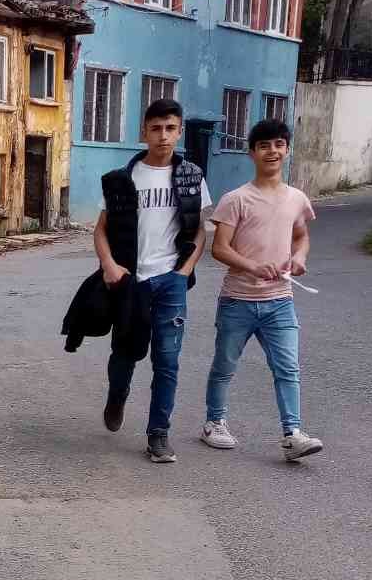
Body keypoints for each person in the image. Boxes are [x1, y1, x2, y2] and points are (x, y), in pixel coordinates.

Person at [92, 98, 211, 463]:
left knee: (167, 361)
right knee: (124, 353)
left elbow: (200, 229)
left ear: (180, 131)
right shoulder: (121, 179)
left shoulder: (191, 176)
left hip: (170, 281)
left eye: (170, 128)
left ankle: (158, 434)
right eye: (156, 128)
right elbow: (101, 230)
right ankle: (118, 393)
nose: (163, 136)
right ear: (144, 132)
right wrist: (110, 266)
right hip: (131, 281)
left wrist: (185, 271)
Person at [203, 118, 324, 462]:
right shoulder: (236, 199)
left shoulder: (296, 198)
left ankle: (293, 434)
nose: (272, 151)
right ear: (252, 153)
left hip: (280, 302)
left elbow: (301, 235)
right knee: (224, 365)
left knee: (287, 368)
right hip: (237, 300)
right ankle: (214, 422)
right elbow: (220, 249)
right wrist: (254, 266)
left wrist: (299, 257)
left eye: (279, 145)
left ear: (286, 150)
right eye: (264, 146)